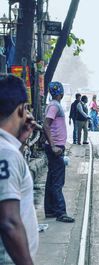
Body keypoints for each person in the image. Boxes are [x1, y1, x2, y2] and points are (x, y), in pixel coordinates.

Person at [0, 74, 39, 265]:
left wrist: (20, 140)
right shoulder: (7, 153)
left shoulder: (7, 149)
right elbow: (9, 222)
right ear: (21, 109)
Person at [43, 81, 75, 223]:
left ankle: (50, 210)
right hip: (55, 148)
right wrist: (53, 145)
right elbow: (46, 124)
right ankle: (61, 212)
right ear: (61, 93)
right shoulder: (55, 106)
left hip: (54, 146)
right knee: (57, 181)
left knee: (51, 179)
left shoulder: (53, 105)